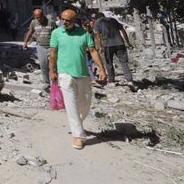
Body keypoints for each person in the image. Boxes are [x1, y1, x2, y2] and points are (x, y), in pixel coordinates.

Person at [50, 9, 107, 150]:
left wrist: (102, 69)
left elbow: (93, 51)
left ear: (75, 21)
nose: (64, 22)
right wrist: (52, 71)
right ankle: (78, 136)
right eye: (62, 19)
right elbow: (53, 53)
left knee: (85, 104)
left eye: (67, 20)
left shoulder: (84, 34)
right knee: (71, 106)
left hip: (82, 74)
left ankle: (77, 124)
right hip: (65, 74)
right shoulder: (56, 33)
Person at [94, 12, 134, 85]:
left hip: (107, 45)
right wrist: (127, 42)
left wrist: (100, 46)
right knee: (124, 62)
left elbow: (97, 35)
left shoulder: (97, 22)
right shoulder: (113, 20)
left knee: (109, 63)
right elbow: (123, 30)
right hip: (120, 43)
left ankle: (111, 81)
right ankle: (129, 80)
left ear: (97, 17)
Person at [22, 8, 53, 88]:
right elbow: (30, 32)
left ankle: (54, 82)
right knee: (43, 65)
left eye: (40, 17)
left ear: (43, 15)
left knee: (52, 65)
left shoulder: (51, 22)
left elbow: (56, 34)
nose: (38, 19)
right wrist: (25, 43)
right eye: (36, 17)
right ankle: (46, 82)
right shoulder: (33, 22)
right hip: (40, 46)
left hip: (51, 46)